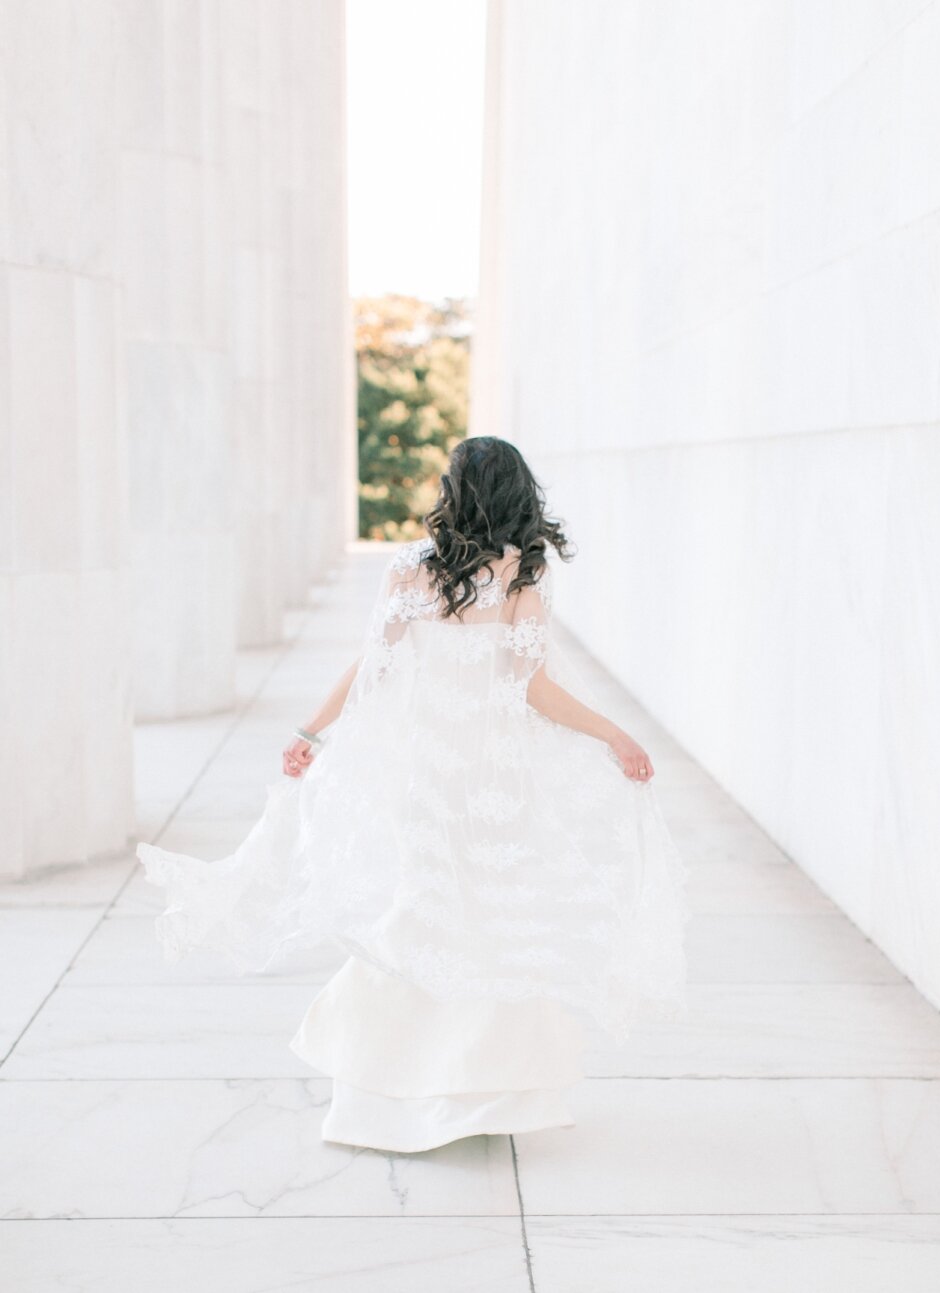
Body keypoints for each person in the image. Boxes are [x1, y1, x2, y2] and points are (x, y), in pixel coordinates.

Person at [137, 436, 689, 1153]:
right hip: (490, 780)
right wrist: (615, 734)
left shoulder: (410, 569)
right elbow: (533, 688)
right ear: (519, 495)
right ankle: (484, 1092)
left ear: (452, 491)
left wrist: (314, 730)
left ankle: (382, 1097)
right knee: (485, 921)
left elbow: (375, 666)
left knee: (417, 917)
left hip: (421, 776)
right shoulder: (523, 574)